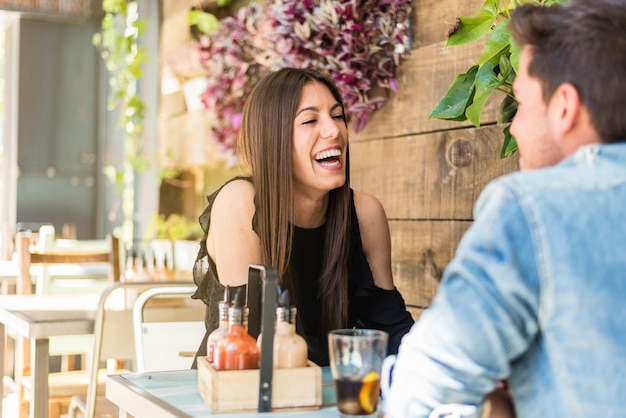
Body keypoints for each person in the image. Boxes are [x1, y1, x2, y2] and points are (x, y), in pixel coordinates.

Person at [383, 0, 626, 417]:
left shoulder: (532, 207)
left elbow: (417, 397)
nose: (512, 126)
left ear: (564, 107)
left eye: (521, 104)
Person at [191, 67, 414, 368]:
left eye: (337, 116)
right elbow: (249, 338)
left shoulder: (364, 213)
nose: (333, 130)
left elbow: (391, 330)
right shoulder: (240, 202)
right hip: (239, 395)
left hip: (327, 398)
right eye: (310, 120)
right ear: (273, 138)